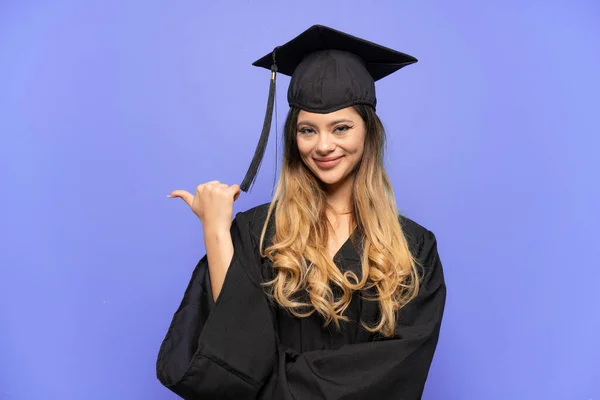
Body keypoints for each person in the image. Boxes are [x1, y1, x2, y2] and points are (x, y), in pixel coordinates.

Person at [156, 24, 447, 400]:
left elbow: (398, 372)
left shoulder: (414, 248)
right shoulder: (256, 232)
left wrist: (273, 382)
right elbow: (233, 362)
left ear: (368, 133)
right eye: (308, 130)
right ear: (294, 138)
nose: (324, 145)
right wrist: (215, 231)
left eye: (341, 128)